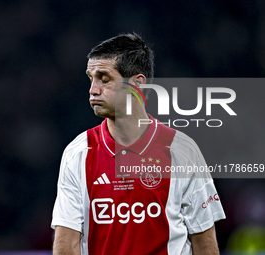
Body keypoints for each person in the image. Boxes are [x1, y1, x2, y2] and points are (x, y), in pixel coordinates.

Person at [51, 33, 226, 255]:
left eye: (104, 79)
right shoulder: (78, 153)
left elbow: (204, 243)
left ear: (137, 83)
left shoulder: (182, 151)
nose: (93, 90)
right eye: (91, 78)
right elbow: (66, 245)